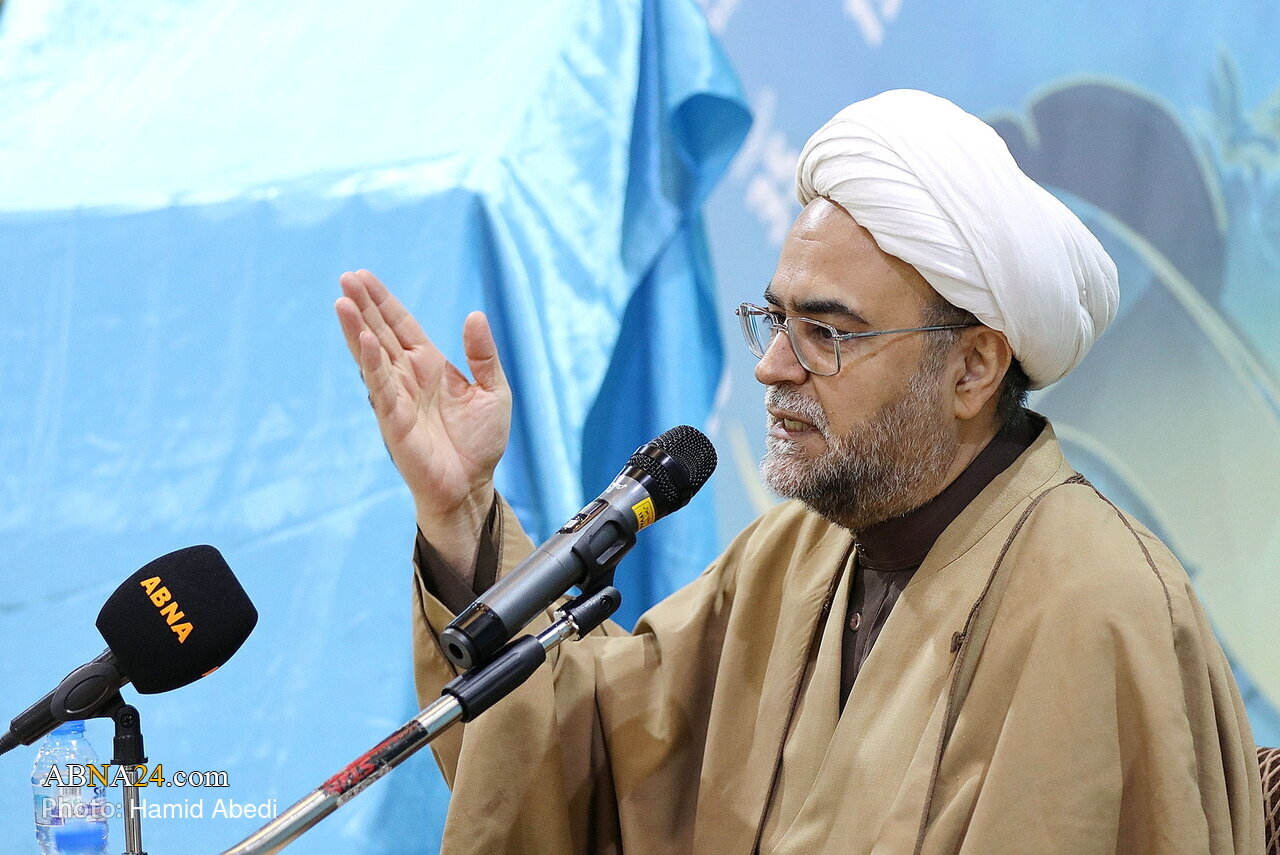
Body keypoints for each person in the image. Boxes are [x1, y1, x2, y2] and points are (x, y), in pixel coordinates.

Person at [334, 90, 1264, 854]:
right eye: (774, 320)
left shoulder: (1101, 606)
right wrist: (460, 511)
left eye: (827, 332)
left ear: (973, 367)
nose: (774, 366)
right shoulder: (793, 555)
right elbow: (595, 759)